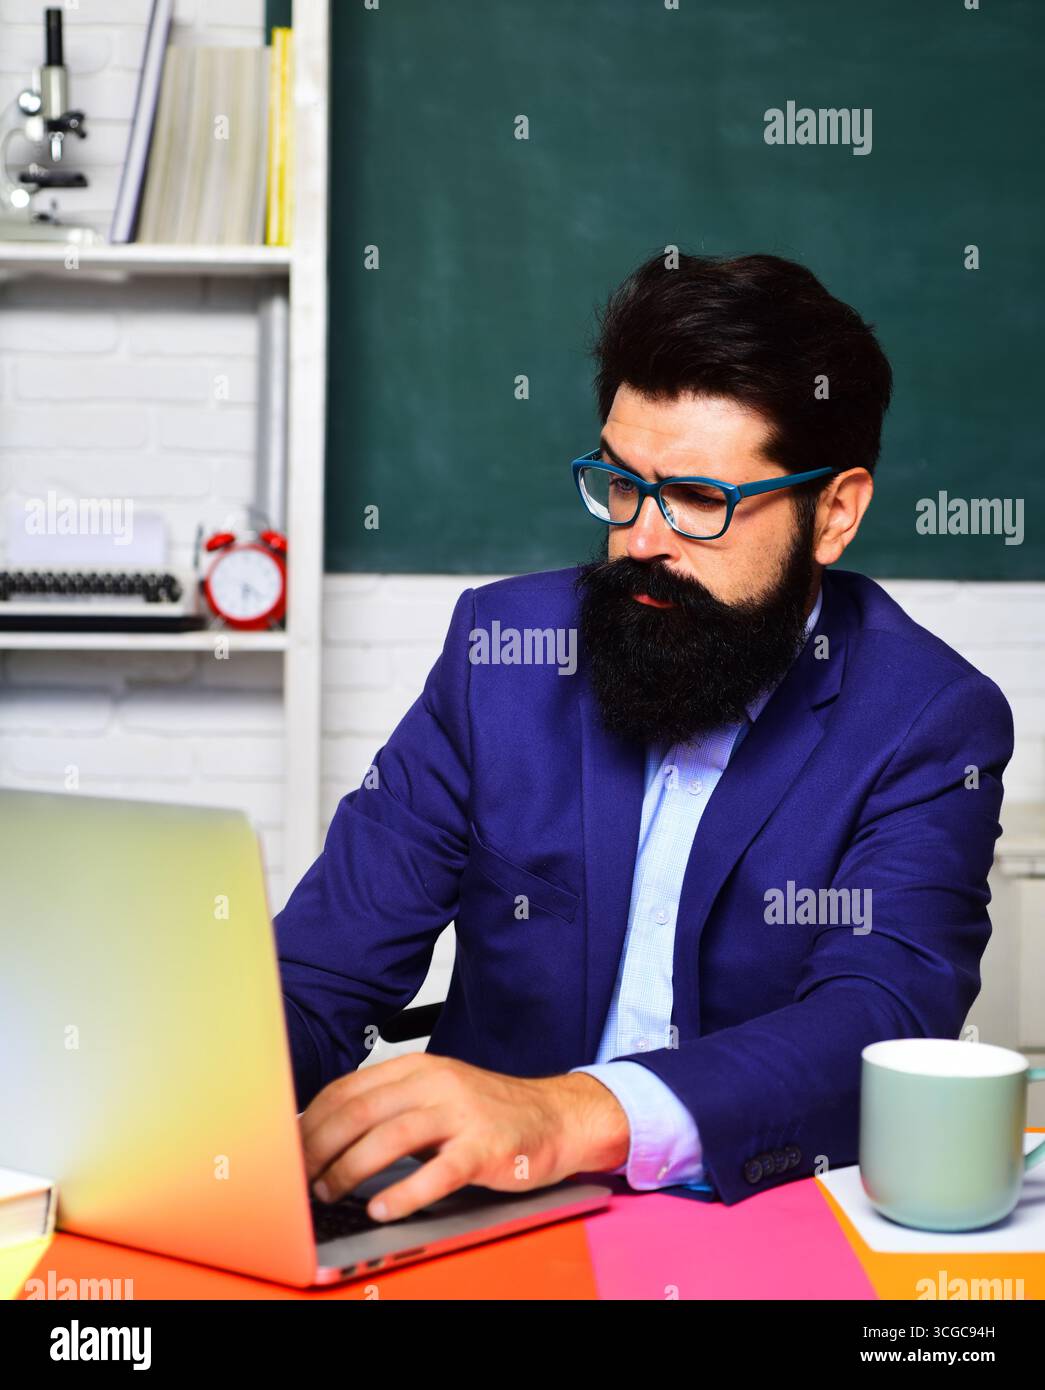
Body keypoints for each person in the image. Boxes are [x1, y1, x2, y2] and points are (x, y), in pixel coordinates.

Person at [275, 252, 1013, 1222]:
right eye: (622, 484)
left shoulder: (928, 719)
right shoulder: (499, 656)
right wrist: (198, 1108)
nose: (640, 540)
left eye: (700, 500)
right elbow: (318, 971)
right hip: (481, 1229)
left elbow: (875, 1016)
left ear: (833, 513)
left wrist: (570, 1112)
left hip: (757, 1225)